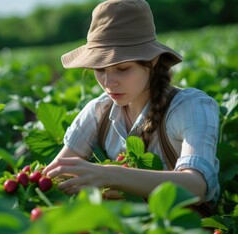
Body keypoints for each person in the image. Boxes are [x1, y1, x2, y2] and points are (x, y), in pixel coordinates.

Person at [42, 0, 220, 207]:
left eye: (123, 68)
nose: (108, 83)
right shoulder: (98, 111)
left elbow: (196, 186)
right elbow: (57, 174)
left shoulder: (190, 107)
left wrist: (112, 175)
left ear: (153, 61)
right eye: (99, 70)